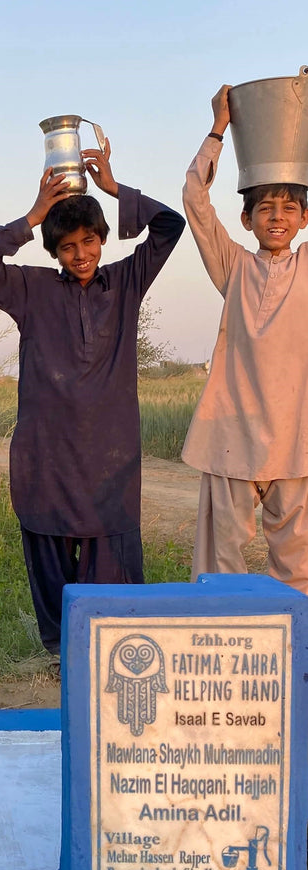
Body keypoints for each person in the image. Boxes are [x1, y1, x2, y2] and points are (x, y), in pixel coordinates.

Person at [0, 141, 185, 659]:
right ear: (54, 252)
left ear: (104, 240)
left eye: (89, 241)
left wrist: (112, 187)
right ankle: (65, 662)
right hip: (48, 460)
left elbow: (170, 226)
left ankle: (117, 669)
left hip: (110, 463)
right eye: (67, 246)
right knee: (55, 582)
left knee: (116, 600)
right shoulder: (32, 290)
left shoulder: (127, 282)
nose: (81, 254)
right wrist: (33, 216)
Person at [182, 85, 308, 591]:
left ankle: (296, 660)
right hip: (230, 435)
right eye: (265, 208)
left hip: (297, 439)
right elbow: (195, 199)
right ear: (246, 219)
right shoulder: (233, 266)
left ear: (304, 219)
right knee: (219, 566)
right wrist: (219, 129)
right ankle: (222, 656)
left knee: (299, 568)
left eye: (289, 207)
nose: (277, 216)